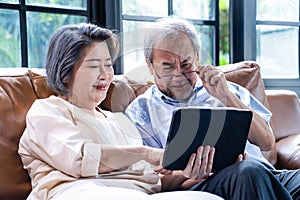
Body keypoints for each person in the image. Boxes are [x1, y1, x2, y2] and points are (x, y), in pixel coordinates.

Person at [18, 22, 230, 200]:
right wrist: (147, 153)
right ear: (65, 73)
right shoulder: (47, 111)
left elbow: (153, 181)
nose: (105, 75)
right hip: (78, 192)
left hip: (136, 194)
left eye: (108, 65)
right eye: (94, 66)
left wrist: (188, 171)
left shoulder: (118, 121)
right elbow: (81, 159)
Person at [125, 17, 300, 199]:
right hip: (202, 184)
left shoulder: (228, 89)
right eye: (167, 67)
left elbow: (267, 142)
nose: (179, 75)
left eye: (186, 64)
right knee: (248, 172)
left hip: (267, 175)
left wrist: (226, 96)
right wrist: (186, 173)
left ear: (197, 58)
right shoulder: (140, 112)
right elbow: (149, 181)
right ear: (150, 66)